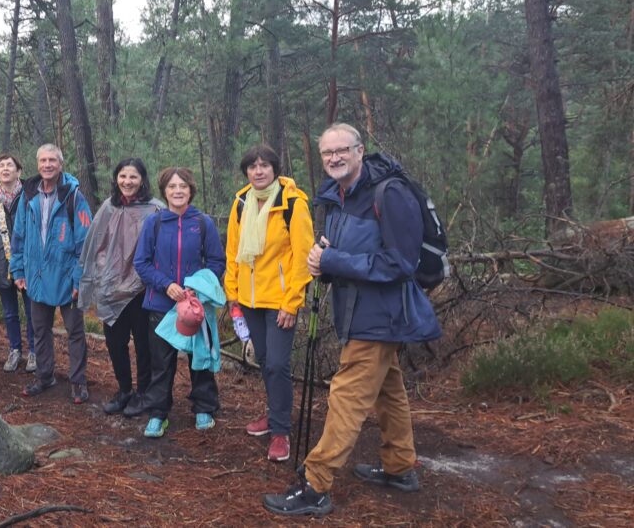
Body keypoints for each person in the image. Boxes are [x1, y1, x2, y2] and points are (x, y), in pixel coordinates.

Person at [263, 123, 442, 517]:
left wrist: (333, 261)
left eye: (342, 150)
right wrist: (324, 261)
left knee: (345, 396)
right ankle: (400, 467)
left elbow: (402, 262)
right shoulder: (341, 196)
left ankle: (316, 484)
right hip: (358, 312)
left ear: (360, 150)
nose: (334, 158)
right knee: (388, 389)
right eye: (327, 153)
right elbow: (349, 253)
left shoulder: (388, 194)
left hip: (381, 315)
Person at [224, 144, 313, 462]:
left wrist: (292, 303)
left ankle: (280, 432)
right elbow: (233, 250)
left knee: (277, 364)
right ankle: (274, 413)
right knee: (264, 361)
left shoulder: (292, 203)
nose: (258, 171)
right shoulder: (241, 202)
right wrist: (231, 292)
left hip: (279, 301)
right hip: (249, 299)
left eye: (264, 165)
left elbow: (303, 256)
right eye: (252, 166)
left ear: (275, 169)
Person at [133, 167, 226, 438]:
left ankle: (204, 407)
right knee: (161, 363)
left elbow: (217, 261)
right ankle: (158, 413)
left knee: (201, 358)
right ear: (164, 191)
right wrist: (166, 285)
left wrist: (197, 288)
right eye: (172, 186)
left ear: (191, 190)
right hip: (161, 305)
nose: (177, 191)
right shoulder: (155, 222)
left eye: (183, 186)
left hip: (195, 306)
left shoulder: (203, 222)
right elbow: (142, 263)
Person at [10, 143, 93, 404]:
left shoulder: (73, 196)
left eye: (52, 161)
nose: (47, 165)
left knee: (75, 331)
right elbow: (19, 235)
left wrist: (80, 277)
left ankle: (78, 381)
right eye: (43, 160)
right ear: (37, 164)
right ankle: (45, 376)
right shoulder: (27, 194)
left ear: (60, 164)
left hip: (67, 276)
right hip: (36, 275)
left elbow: (85, 241)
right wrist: (18, 269)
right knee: (39, 329)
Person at [78, 158, 162, 416]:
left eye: (133, 177)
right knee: (115, 343)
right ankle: (124, 390)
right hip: (111, 288)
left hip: (142, 290)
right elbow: (94, 244)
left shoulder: (155, 209)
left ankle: (144, 392)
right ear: (116, 179)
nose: (127, 182)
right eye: (123, 176)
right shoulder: (108, 207)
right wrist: (96, 277)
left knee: (145, 345)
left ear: (142, 180)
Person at [0, 153, 37, 373]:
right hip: (0, 264)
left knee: (32, 311)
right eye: (1, 166)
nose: (5, 169)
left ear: (18, 171)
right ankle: (14, 350)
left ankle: (34, 351)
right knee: (10, 312)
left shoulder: (30, 197)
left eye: (9, 165)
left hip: (27, 265)